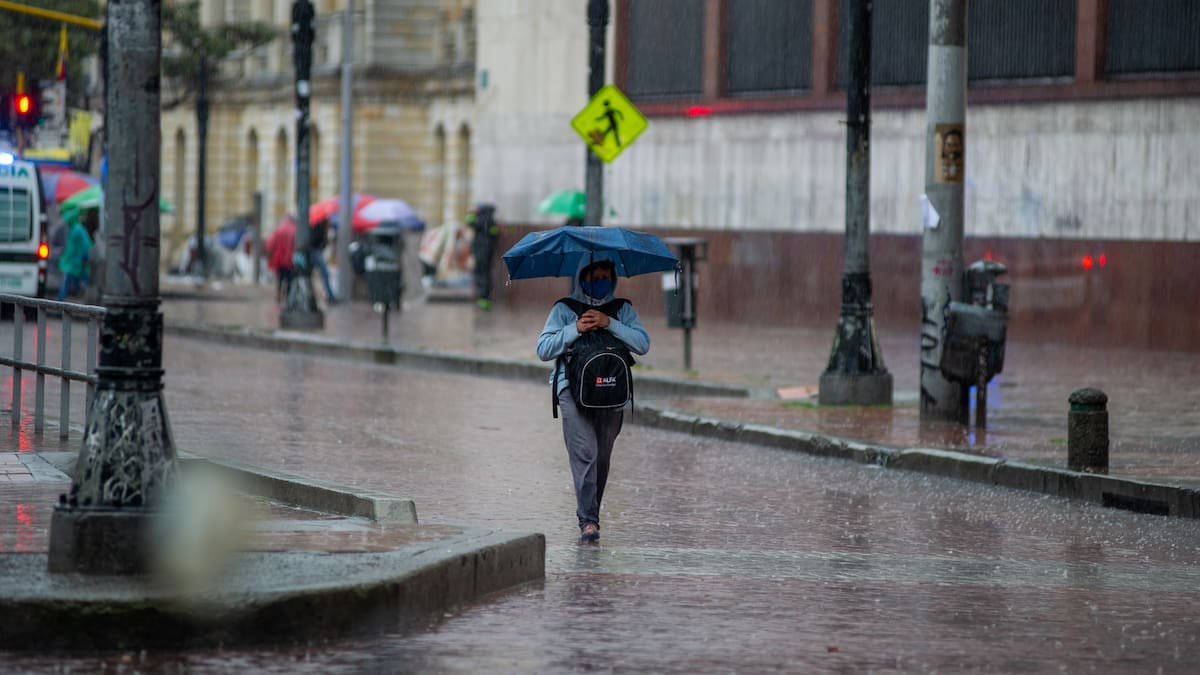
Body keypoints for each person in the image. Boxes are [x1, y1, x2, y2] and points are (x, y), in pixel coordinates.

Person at [536, 258, 649, 542]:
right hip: (571, 391)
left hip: (612, 393)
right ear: (581, 277)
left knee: (601, 456)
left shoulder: (622, 309)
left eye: (604, 277)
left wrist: (609, 323)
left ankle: (591, 513)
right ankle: (588, 521)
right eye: (593, 277)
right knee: (585, 452)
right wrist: (576, 328)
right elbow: (544, 349)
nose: (599, 283)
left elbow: (642, 344)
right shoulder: (564, 309)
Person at [57, 208, 98, 301]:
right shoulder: (75, 229)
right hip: (73, 261)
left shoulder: (77, 229)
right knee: (77, 279)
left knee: (71, 280)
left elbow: (85, 244)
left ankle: (61, 299)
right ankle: (77, 297)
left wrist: (84, 256)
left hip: (75, 261)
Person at [468, 203, 499, 310]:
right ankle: (486, 298)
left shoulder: (481, 219)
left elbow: (469, 222)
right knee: (486, 273)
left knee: (480, 273)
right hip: (488, 251)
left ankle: (483, 298)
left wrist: (471, 213)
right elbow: (495, 234)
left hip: (480, 251)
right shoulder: (491, 220)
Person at [309, 218, 338, 304]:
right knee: (324, 273)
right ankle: (330, 296)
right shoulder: (319, 226)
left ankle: (329, 295)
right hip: (315, 251)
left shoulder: (322, 226)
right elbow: (316, 240)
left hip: (316, 251)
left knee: (322, 274)